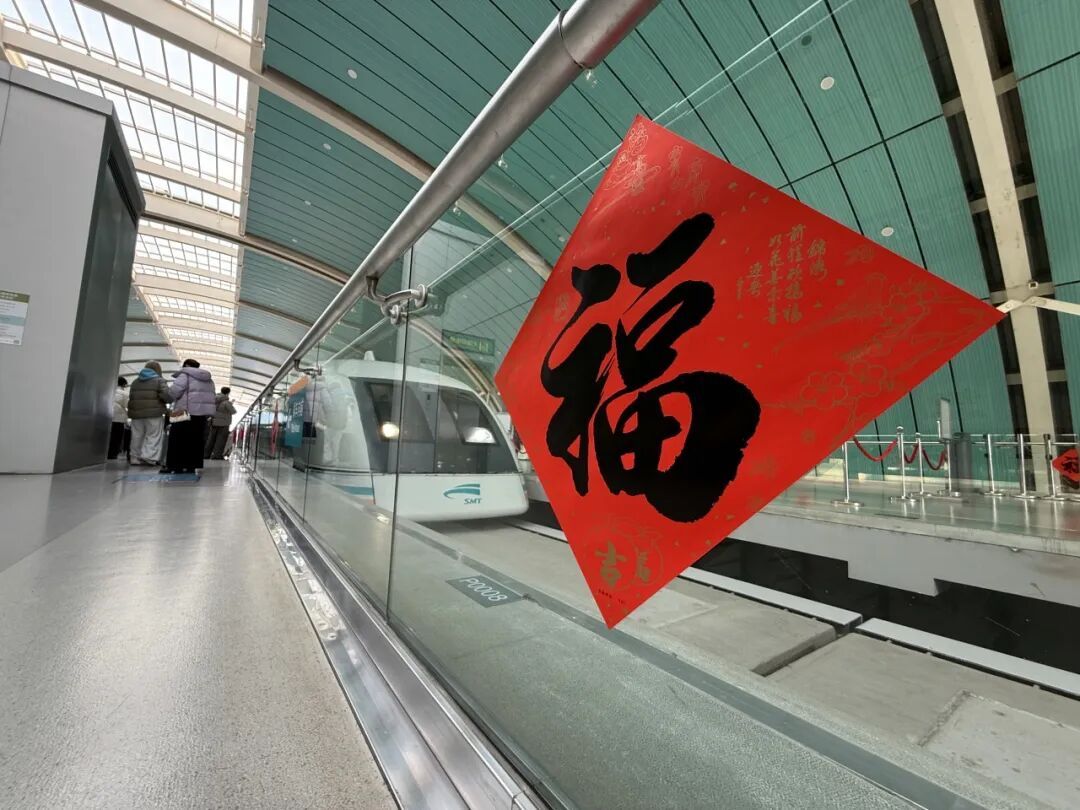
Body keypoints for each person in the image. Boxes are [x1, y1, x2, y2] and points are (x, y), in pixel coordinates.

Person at [163, 359, 216, 474]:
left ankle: (175, 466)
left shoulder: (184, 375)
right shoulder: (208, 379)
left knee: (176, 439)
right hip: (201, 414)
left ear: (186, 366)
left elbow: (173, 393)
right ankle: (191, 466)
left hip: (181, 410)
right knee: (195, 440)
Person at [127, 361, 172, 465]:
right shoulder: (159, 381)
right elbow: (167, 396)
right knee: (153, 435)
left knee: (137, 435)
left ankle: (134, 457)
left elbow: (131, 397)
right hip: (154, 413)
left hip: (136, 413)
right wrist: (168, 400)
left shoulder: (135, 381)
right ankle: (149, 457)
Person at [205, 386, 236, 460]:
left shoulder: (214, 400)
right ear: (228, 393)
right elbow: (233, 411)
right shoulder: (226, 402)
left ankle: (206, 454)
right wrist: (231, 404)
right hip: (224, 424)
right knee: (220, 440)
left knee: (211, 439)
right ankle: (216, 455)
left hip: (214, 422)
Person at [107, 377, 129, 460]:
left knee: (108, 436)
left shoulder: (109, 390)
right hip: (118, 419)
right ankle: (112, 454)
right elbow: (127, 405)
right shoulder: (124, 394)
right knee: (116, 437)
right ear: (123, 384)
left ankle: (104, 452)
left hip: (107, 417)